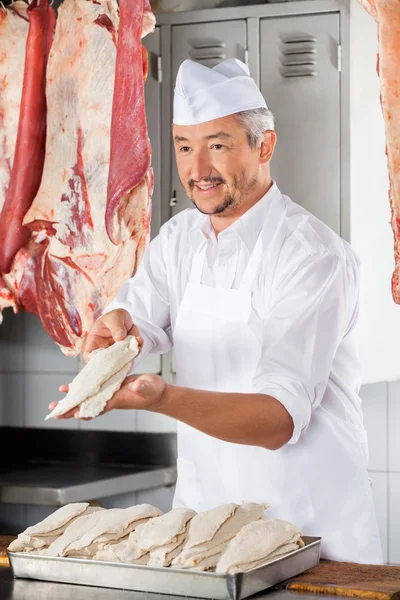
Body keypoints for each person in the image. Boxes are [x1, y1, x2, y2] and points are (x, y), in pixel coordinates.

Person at [49, 58, 383, 564]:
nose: (197, 170)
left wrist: (160, 398)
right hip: (206, 533)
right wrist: (117, 329)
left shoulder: (312, 256)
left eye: (218, 146)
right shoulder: (181, 237)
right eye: (184, 146)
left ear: (264, 145)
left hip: (312, 537)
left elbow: (278, 420)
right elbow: (136, 317)